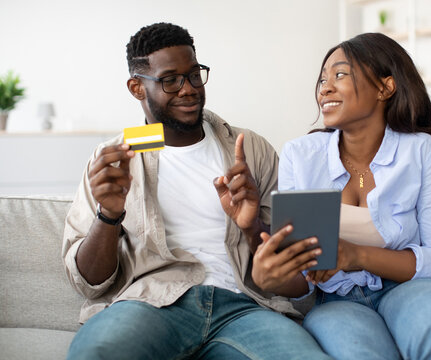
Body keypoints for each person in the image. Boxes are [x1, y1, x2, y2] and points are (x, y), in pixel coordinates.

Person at [62, 22, 330, 360]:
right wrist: (109, 214)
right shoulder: (113, 161)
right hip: (151, 304)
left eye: (194, 75)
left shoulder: (251, 149)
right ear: (136, 88)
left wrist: (250, 226)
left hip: (245, 308)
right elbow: (89, 282)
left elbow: (293, 271)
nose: (188, 89)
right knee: (96, 354)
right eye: (170, 80)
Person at [251, 33, 431, 359]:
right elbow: (303, 278)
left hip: (412, 289)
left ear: (384, 87)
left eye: (340, 75)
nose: (325, 88)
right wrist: (270, 278)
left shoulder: (422, 152)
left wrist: (355, 255)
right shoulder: (300, 156)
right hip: (337, 303)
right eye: (322, 79)